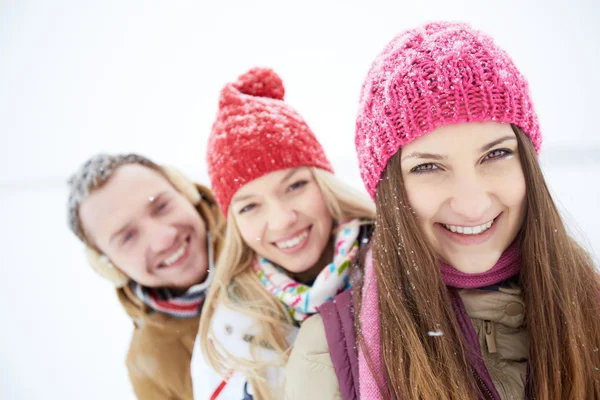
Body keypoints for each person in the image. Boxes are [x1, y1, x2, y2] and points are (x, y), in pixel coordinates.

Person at [285, 21, 600, 400]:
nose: (472, 204)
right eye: (428, 166)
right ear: (390, 191)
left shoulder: (590, 308)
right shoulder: (330, 353)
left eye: (496, 154)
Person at [197, 67, 375, 399]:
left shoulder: (401, 263)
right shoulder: (230, 334)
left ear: (325, 184)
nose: (281, 220)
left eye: (295, 186)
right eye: (250, 207)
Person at [67, 153, 224, 400]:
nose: (163, 239)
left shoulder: (278, 241)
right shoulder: (150, 366)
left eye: (162, 207)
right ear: (109, 266)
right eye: (128, 237)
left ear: (186, 192)